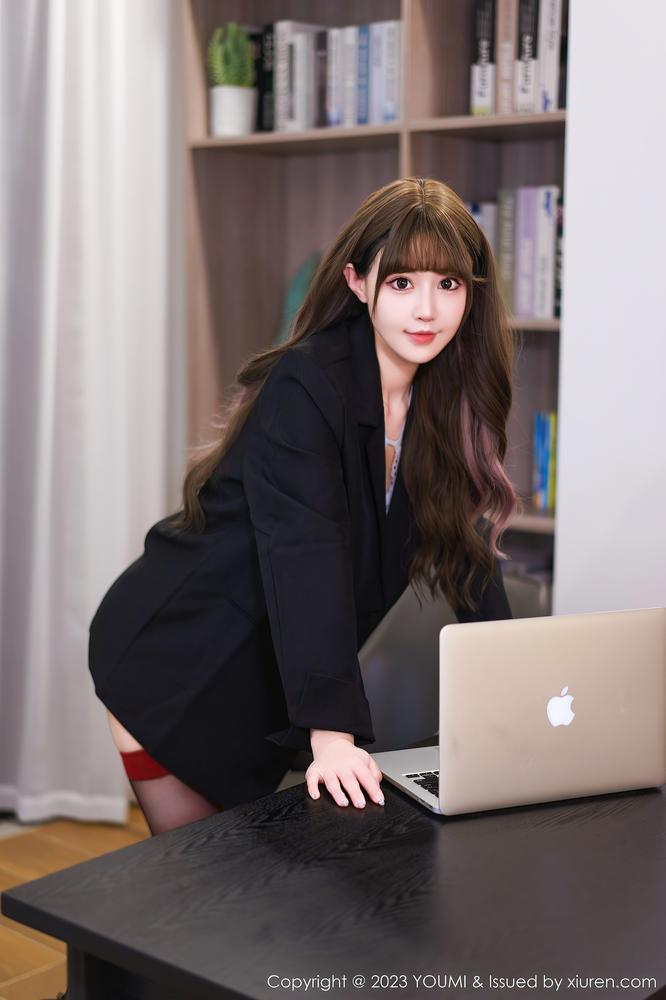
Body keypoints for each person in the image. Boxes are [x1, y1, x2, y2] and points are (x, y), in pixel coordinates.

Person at [88, 177, 518, 836]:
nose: (427, 309)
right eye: (402, 282)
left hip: (262, 676)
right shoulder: (308, 383)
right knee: (201, 893)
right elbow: (305, 552)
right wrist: (332, 735)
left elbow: (468, 554)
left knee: (247, 894)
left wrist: (517, 699)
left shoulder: (437, 398)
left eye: (449, 284)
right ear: (358, 282)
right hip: (180, 660)